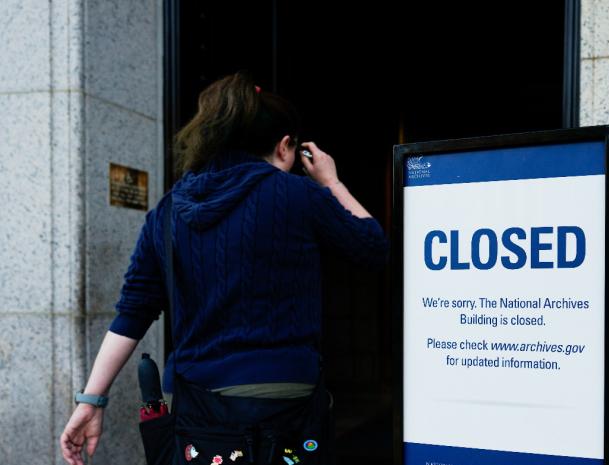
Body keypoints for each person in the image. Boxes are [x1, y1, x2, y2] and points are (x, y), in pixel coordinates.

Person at [59, 72, 388, 465]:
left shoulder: (167, 213)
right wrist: (331, 182)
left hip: (198, 410)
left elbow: (131, 314)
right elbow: (373, 247)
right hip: (287, 405)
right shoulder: (300, 196)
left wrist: (91, 401)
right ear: (285, 146)